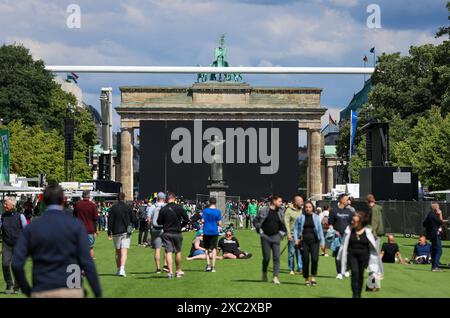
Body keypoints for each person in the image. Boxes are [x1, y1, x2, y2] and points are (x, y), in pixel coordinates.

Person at [12, 184, 101, 298]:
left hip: (43, 288)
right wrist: (97, 292)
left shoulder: (33, 227)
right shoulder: (75, 226)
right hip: (71, 286)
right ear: (63, 200)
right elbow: (87, 262)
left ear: (43, 201)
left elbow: (16, 263)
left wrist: (27, 290)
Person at [338, 212, 383, 298]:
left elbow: (372, 246)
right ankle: (355, 294)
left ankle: (359, 294)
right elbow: (344, 244)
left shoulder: (368, 232)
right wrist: (340, 256)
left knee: (360, 275)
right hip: (352, 255)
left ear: (360, 220)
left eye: (355, 217)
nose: (352, 220)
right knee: (355, 272)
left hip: (364, 257)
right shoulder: (349, 230)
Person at [253, 195, 287, 285]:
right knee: (266, 258)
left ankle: (275, 277)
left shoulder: (281, 211)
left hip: (276, 237)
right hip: (265, 237)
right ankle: (264, 273)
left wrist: (281, 235)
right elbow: (255, 221)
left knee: (276, 258)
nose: (281, 203)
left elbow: (284, 224)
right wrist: (259, 230)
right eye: (280, 201)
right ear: (274, 201)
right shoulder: (263, 210)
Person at [157, 192, 189, 279]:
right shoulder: (179, 208)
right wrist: (181, 226)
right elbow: (186, 219)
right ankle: (178, 271)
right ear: (174, 199)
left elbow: (159, 222)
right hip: (177, 232)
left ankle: (170, 272)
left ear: (167, 199)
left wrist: (165, 223)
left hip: (167, 232)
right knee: (178, 251)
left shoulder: (163, 209)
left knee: (168, 252)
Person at [294, 201, 324, 286]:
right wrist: (296, 239)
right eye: (306, 207)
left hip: (315, 241)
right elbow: (296, 229)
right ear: (304, 208)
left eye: (310, 207)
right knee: (305, 260)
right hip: (304, 242)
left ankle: (313, 277)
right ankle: (306, 278)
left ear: (312, 208)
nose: (308, 209)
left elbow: (320, 230)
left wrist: (322, 242)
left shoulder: (316, 217)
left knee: (315, 259)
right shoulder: (300, 217)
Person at [1, 197, 27, 294]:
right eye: (4, 204)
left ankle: (17, 287)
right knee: (5, 264)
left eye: (6, 204)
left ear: (12, 205)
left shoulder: (20, 216)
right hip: (6, 244)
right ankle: (9, 285)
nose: (4, 205)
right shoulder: (2, 216)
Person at [107, 192, 136, 277]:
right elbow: (134, 219)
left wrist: (109, 232)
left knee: (117, 252)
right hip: (126, 231)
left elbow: (110, 221)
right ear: (124, 198)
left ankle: (119, 269)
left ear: (117, 198)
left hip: (116, 231)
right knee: (124, 251)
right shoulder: (128, 207)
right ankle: (122, 269)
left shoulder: (113, 208)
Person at [329, 193, 354, 279]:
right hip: (337, 236)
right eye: (346, 199)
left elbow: (352, 224)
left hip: (347, 236)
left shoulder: (349, 211)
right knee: (338, 254)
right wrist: (334, 231)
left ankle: (346, 270)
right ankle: (339, 273)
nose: (348, 201)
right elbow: (330, 224)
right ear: (341, 200)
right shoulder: (334, 211)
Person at [423, 202, 448, 271]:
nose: (439, 208)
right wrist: (440, 214)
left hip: (431, 235)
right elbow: (440, 222)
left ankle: (433, 266)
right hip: (435, 235)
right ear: (435, 208)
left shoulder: (430, 215)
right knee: (439, 251)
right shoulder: (433, 215)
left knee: (434, 251)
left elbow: (424, 224)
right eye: (438, 207)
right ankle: (435, 267)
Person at [74, 190, 99, 259]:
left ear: (82, 196)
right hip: (90, 230)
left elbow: (74, 217)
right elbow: (96, 219)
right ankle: (89, 265)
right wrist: (96, 229)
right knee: (90, 248)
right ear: (89, 196)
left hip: (79, 230)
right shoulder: (93, 205)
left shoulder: (77, 205)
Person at [147, 192, 167, 273]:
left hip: (155, 229)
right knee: (167, 248)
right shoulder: (166, 206)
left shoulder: (153, 206)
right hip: (165, 229)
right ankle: (165, 264)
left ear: (157, 198)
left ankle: (158, 268)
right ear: (164, 198)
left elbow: (148, 219)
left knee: (157, 249)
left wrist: (149, 228)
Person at [202, 197, 223, 273]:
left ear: (209, 202)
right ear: (215, 202)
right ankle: (213, 267)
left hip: (206, 231)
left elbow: (202, 220)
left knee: (206, 248)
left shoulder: (205, 211)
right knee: (214, 248)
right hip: (214, 231)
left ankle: (208, 265)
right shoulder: (218, 212)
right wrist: (219, 224)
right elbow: (220, 223)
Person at [284, 194, 303, 275]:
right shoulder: (289, 210)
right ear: (295, 202)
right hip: (292, 235)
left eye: (302, 201)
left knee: (299, 252)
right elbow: (286, 222)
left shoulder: (303, 210)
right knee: (291, 252)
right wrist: (288, 234)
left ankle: (300, 268)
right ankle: (291, 268)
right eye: (300, 201)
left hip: (301, 235)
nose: (302, 202)